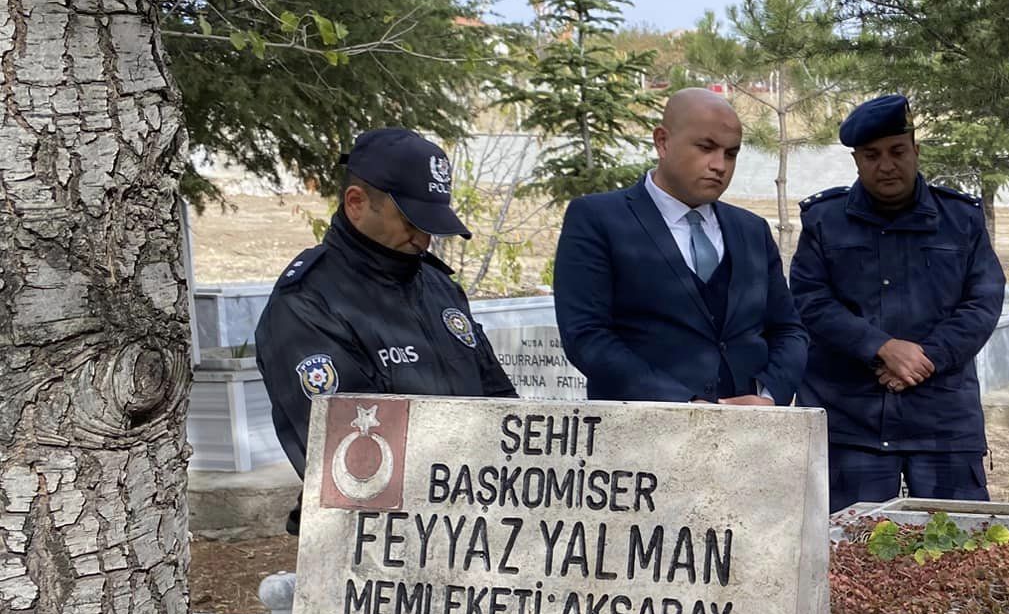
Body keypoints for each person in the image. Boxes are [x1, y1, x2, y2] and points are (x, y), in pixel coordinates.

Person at [256, 127, 516, 488]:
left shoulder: (439, 287)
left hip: (470, 518)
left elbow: (500, 402)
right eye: (411, 222)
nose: (424, 240)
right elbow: (351, 459)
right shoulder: (307, 304)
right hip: (379, 531)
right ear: (357, 204)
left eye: (432, 225)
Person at [790, 95, 1006, 511]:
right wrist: (881, 348)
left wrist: (925, 358)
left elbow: (982, 301)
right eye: (871, 155)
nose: (885, 165)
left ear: (916, 150)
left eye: (897, 151)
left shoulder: (961, 219)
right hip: (849, 421)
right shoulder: (824, 220)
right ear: (856, 161)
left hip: (942, 421)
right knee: (845, 558)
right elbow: (808, 299)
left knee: (957, 557)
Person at [553, 88, 806, 407]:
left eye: (731, 154)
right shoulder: (597, 218)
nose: (720, 165)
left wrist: (769, 396)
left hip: (749, 438)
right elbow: (586, 336)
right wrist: (682, 404)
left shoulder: (751, 230)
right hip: (643, 439)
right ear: (662, 141)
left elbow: (788, 330)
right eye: (706, 147)